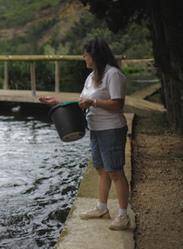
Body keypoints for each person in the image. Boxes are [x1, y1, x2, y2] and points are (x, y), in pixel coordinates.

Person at [39, 38, 130, 231]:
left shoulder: (113, 75)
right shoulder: (91, 77)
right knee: (101, 169)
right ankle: (102, 208)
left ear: (94, 55)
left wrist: (94, 103)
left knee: (115, 171)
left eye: (85, 54)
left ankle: (123, 215)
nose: (83, 57)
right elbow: (82, 101)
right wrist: (57, 101)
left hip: (111, 129)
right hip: (95, 129)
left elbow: (118, 104)